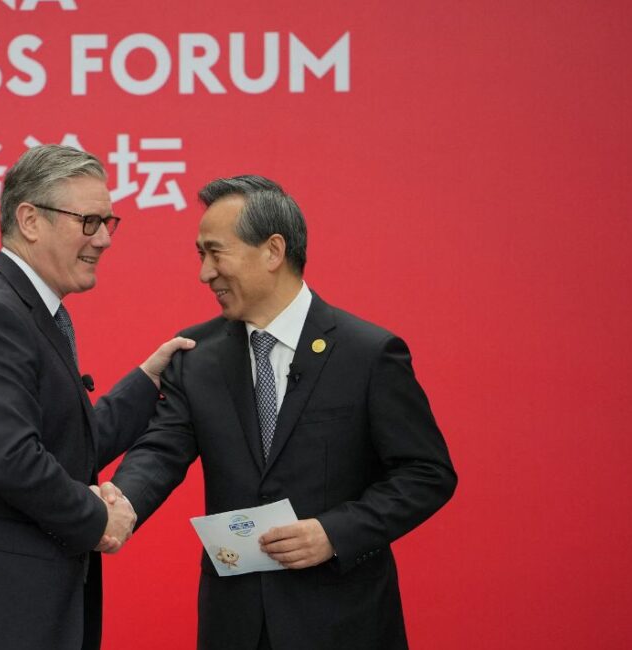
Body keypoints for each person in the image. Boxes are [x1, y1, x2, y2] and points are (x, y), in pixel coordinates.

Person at [105, 175, 457, 650]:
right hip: (236, 623)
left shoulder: (367, 354)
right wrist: (122, 504)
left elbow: (426, 473)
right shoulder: (196, 354)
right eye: (200, 255)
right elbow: (161, 448)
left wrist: (334, 532)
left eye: (215, 252)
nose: (204, 273)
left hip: (342, 621)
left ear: (273, 251)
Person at [0, 145, 195, 650]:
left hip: (11, 610)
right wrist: (100, 520)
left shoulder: (26, 310)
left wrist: (147, 382)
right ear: (29, 219)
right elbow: (13, 461)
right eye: (89, 221)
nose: (103, 240)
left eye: (109, 222)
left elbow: (66, 446)